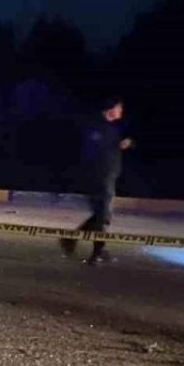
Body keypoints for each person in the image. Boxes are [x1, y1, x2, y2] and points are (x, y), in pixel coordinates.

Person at [61, 97, 133, 265]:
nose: (121, 112)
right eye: (119, 108)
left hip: (107, 179)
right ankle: (94, 252)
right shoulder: (97, 127)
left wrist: (122, 144)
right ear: (110, 109)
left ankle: (80, 243)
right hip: (99, 180)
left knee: (100, 217)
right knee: (102, 217)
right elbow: (94, 154)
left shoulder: (110, 130)